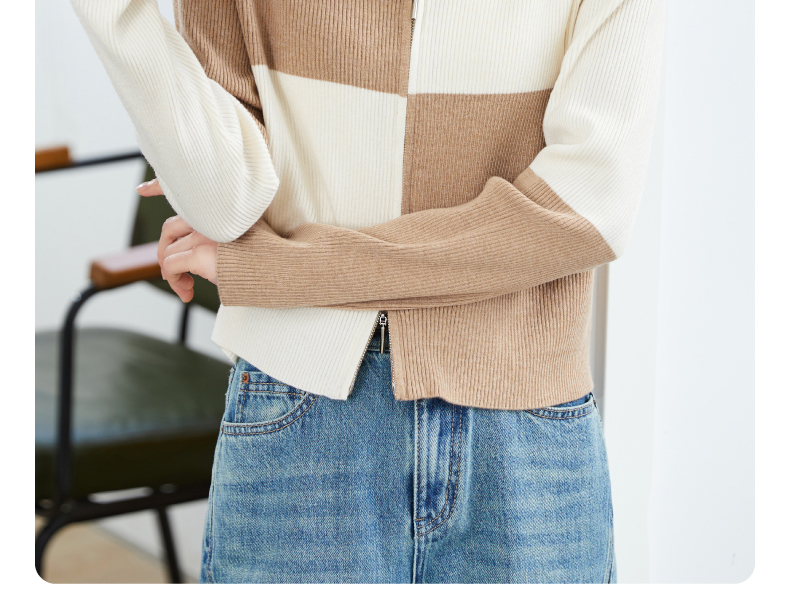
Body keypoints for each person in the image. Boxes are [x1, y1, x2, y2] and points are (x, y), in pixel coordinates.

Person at [72, 0, 665, 583]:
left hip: (524, 416)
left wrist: (286, 269)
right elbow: (226, 203)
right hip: (302, 400)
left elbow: (587, 213)